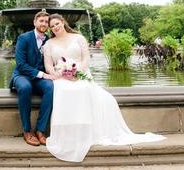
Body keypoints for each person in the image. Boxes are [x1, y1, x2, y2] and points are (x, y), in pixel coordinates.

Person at [43, 14, 165, 162]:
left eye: (57, 24)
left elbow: (86, 58)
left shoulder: (79, 38)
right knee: (61, 90)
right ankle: (67, 133)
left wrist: (77, 72)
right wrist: (59, 73)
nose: (55, 27)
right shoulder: (49, 43)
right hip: (61, 76)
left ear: (63, 22)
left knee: (82, 89)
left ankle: (85, 130)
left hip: (81, 73)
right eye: (52, 26)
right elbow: (49, 65)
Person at [9, 11, 57, 147]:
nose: (44, 24)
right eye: (41, 21)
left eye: (46, 22)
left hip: (39, 78)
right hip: (22, 75)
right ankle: (27, 131)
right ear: (35, 22)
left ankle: (40, 130)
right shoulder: (23, 38)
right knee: (25, 87)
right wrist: (42, 74)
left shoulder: (49, 41)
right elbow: (21, 64)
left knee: (50, 87)